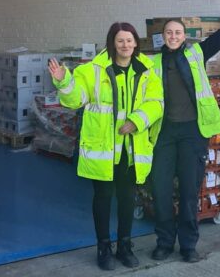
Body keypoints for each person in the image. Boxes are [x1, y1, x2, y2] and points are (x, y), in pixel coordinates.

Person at [149, 0, 220, 263]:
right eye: (168, 33)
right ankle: (163, 242)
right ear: (162, 38)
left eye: (178, 33)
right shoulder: (151, 64)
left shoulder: (196, 54)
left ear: (185, 36)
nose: (173, 36)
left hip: (192, 133)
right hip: (163, 134)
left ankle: (187, 245)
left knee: (188, 192)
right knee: (160, 191)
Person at [48, 22, 164, 271]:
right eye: (120, 40)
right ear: (112, 42)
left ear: (136, 43)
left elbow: (157, 102)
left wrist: (135, 121)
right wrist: (63, 81)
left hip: (131, 149)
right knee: (102, 198)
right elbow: (76, 99)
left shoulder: (147, 70)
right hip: (103, 148)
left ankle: (125, 245)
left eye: (130, 40)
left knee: (127, 198)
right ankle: (103, 248)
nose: (125, 45)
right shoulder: (93, 70)